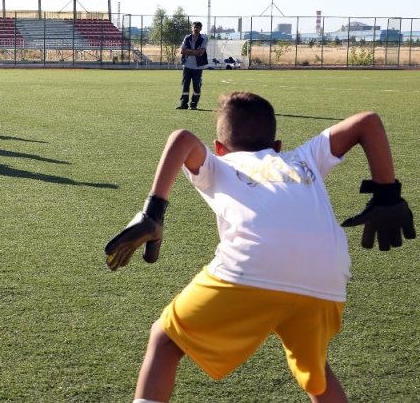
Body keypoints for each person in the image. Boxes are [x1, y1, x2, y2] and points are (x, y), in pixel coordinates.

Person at [104, 91, 415, 403]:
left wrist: (153, 211)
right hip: (326, 277)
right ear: (276, 147)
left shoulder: (219, 164)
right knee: (316, 372)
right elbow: (368, 121)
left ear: (219, 148)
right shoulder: (303, 158)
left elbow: (182, 138)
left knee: (165, 341)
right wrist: (388, 194)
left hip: (251, 268)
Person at [176, 21, 208, 110]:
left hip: (198, 67)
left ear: (201, 29)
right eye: (194, 27)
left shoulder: (204, 39)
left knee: (197, 86)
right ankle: (183, 104)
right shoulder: (187, 38)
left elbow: (200, 53)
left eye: (198, 27)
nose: (196, 29)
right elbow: (182, 51)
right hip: (187, 66)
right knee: (185, 85)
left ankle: (194, 105)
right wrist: (194, 51)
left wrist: (189, 51)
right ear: (192, 28)